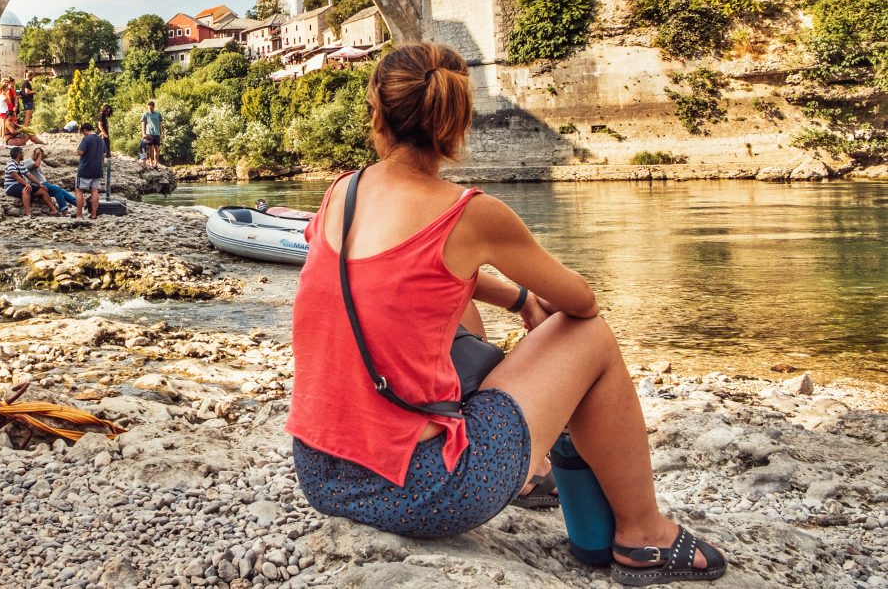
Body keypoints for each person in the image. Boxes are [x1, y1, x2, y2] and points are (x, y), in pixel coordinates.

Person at [286, 43, 727, 584]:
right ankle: (643, 535)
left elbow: (393, 277)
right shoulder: (470, 214)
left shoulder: (341, 193)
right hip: (425, 492)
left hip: (322, 474)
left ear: (377, 113)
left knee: (453, 293)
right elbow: (581, 303)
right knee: (591, 338)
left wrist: (516, 299)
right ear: (458, 119)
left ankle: (532, 470)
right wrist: (532, 298)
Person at [4, 146, 57, 217]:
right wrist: (26, 184)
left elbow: (29, 175)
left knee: (42, 190)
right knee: (26, 190)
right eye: (22, 153)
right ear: (19, 154)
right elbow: (15, 176)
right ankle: (28, 213)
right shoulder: (11, 164)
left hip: (20, 185)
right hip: (11, 186)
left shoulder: (21, 164)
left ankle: (54, 210)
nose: (23, 155)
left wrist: (39, 184)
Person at [25, 147, 74, 215]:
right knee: (58, 189)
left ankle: (80, 204)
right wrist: (39, 156)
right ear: (33, 153)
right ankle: (64, 211)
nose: (38, 155)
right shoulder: (28, 161)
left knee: (63, 191)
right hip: (38, 184)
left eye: (40, 154)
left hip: (44, 183)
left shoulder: (36, 162)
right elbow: (36, 165)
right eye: (37, 153)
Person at [75, 123, 104, 220]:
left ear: (84, 130)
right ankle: (93, 214)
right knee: (94, 191)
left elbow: (81, 152)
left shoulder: (86, 138)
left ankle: (79, 214)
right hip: (97, 169)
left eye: (82, 132)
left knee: (79, 190)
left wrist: (77, 150)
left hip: (85, 169)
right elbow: (103, 154)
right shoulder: (101, 139)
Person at [141, 101, 162, 169]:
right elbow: (143, 124)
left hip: (157, 134)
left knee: (157, 149)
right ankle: (150, 162)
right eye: (148, 107)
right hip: (149, 134)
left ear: (153, 107)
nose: (150, 108)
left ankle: (155, 163)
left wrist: (161, 133)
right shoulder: (146, 114)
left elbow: (160, 124)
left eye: (151, 107)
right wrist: (144, 133)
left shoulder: (158, 114)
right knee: (150, 149)